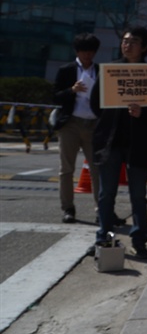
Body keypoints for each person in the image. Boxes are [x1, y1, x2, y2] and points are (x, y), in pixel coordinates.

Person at [90, 27, 147, 259]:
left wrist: (143, 112)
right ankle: (103, 237)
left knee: (138, 194)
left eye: (134, 42)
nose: (128, 45)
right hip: (110, 141)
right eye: (125, 41)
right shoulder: (111, 71)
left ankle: (139, 239)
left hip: (139, 143)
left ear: (144, 47)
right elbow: (96, 104)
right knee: (106, 194)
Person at [53, 33, 101, 223]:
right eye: (84, 51)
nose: (87, 55)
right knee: (66, 168)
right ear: (77, 51)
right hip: (71, 123)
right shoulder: (66, 70)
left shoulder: (100, 70)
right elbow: (55, 96)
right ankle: (68, 208)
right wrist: (71, 90)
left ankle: (100, 209)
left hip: (94, 123)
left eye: (91, 51)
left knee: (97, 169)